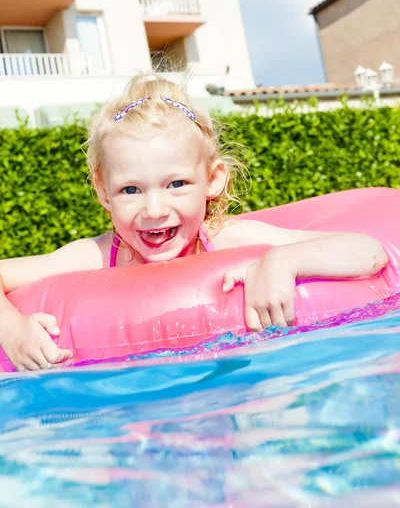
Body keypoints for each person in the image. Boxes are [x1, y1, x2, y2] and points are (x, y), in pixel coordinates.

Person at [0, 74, 388, 371]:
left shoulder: (227, 238)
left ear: (212, 179)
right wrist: (13, 330)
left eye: (177, 184)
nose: (154, 209)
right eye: (130, 190)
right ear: (104, 192)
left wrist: (283, 261)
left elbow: (369, 251)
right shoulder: (97, 255)